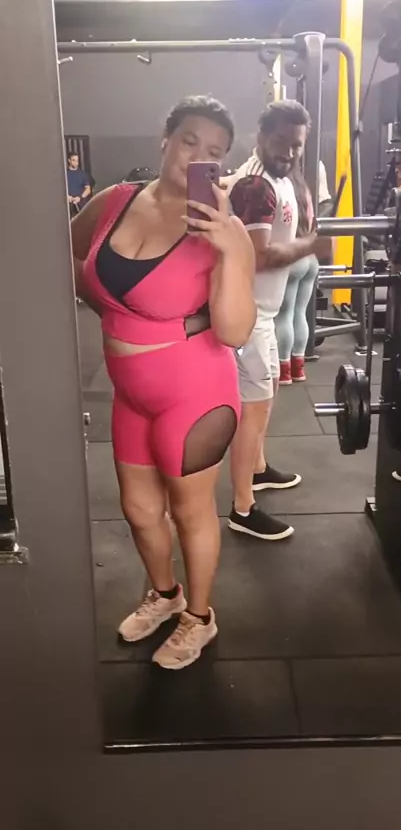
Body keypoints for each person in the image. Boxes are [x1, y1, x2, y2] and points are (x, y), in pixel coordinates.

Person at [71, 96, 256, 669]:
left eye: (214, 152)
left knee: (189, 511)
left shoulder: (225, 231)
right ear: (165, 139)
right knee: (138, 509)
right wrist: (116, 314)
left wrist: (229, 252)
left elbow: (234, 331)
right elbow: (68, 256)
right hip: (131, 391)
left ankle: (199, 618)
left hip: (195, 391)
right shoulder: (115, 201)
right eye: (189, 141)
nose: (198, 156)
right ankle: (165, 594)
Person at [226, 100, 332, 542]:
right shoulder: (255, 185)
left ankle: (258, 467)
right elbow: (260, 255)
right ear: (261, 136)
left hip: (265, 313)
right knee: (252, 409)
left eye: (296, 145)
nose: (288, 151)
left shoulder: (282, 178)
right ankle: (242, 507)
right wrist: (312, 246)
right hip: (246, 315)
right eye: (280, 141)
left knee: (266, 397)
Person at [275, 160, 331, 385]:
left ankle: (283, 371)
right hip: (310, 259)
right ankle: (298, 369)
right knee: (299, 313)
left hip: (294, 256)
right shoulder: (304, 189)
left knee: (284, 315)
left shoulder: (280, 189)